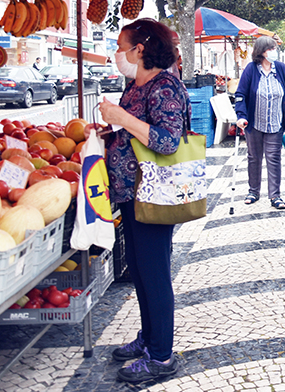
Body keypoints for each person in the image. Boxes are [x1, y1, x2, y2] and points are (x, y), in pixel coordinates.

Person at [98, 19, 189, 384]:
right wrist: (107, 130)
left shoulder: (164, 86)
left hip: (154, 195)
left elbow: (168, 140)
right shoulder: (135, 86)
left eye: (121, 47)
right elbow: (130, 132)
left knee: (154, 274)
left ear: (140, 49)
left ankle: (162, 356)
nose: (117, 54)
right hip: (129, 194)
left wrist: (121, 118)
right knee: (138, 270)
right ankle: (150, 337)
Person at [234, 36, 285, 209]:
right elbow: (240, 94)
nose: (273, 52)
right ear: (261, 51)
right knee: (254, 158)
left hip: (275, 123)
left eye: (274, 48)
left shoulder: (281, 69)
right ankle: (253, 192)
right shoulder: (251, 69)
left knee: (274, 158)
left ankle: (275, 196)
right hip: (254, 122)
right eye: (270, 49)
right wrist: (241, 116)